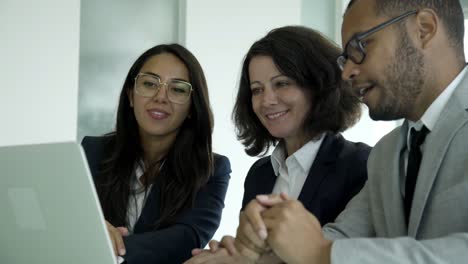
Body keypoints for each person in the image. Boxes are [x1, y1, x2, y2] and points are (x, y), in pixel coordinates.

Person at [210, 0, 468, 263]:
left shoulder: (363, 160)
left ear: (424, 29)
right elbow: (342, 236)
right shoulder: (387, 153)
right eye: (346, 57)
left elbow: (323, 251)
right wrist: (247, 258)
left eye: (362, 45)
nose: (346, 73)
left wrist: (319, 253)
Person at [185, 25, 371, 263]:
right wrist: (233, 250)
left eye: (282, 83)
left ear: (317, 85)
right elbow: (252, 252)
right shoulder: (259, 174)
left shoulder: (360, 165)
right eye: (257, 90)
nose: (267, 101)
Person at [81, 44, 231, 264]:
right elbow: (67, 221)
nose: (161, 97)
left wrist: (100, 243)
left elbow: (186, 239)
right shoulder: (93, 152)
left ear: (191, 107)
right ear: (131, 96)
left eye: (178, 89)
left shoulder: (211, 169)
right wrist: (89, 229)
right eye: (149, 84)